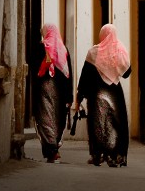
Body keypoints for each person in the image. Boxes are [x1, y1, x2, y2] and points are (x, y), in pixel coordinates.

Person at [75, 23, 131, 167]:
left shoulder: (93, 52)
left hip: (96, 93)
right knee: (116, 124)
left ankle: (98, 155)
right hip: (115, 93)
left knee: (98, 124)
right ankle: (115, 156)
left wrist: (80, 95)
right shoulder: (119, 51)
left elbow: (85, 75)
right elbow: (127, 73)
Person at [33, 23, 73, 163]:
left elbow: (34, 72)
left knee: (46, 118)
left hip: (44, 89)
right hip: (61, 91)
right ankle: (54, 148)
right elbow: (69, 75)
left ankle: (52, 150)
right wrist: (70, 96)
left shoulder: (41, 48)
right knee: (57, 119)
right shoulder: (63, 50)